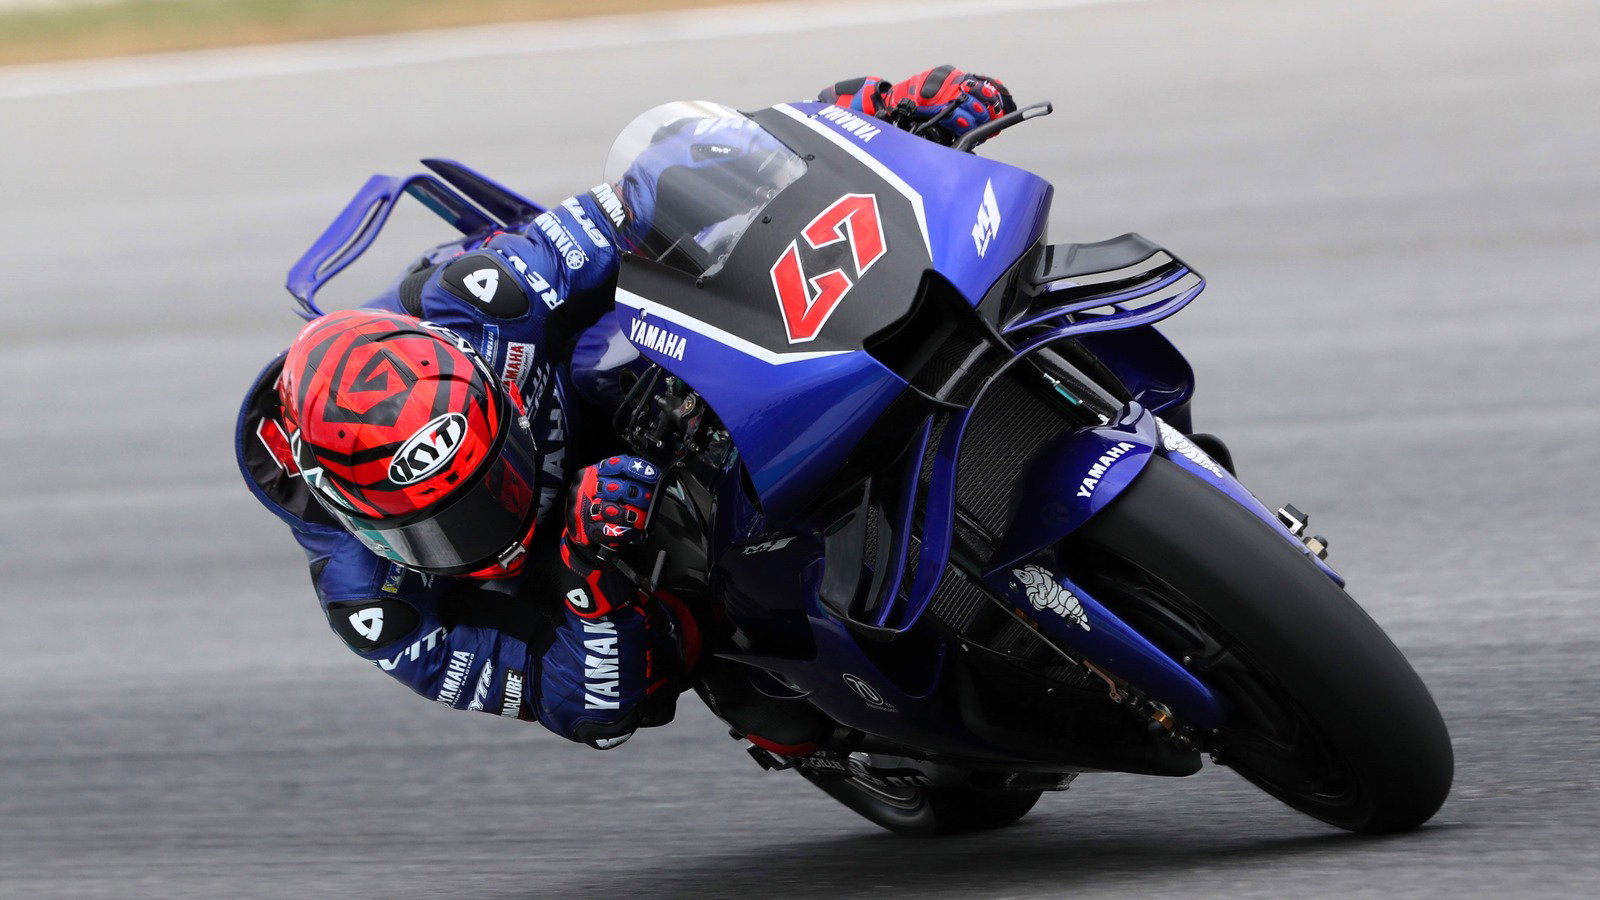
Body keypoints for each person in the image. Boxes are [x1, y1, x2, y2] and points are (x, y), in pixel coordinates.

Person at [235, 68, 1014, 752]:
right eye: (441, 522)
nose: (488, 520)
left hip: (611, 382)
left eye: (489, 480)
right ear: (352, 512)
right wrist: (589, 583)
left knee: (717, 256)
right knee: (763, 701)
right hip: (579, 564)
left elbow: (656, 187)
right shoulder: (374, 605)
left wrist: (878, 116)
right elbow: (578, 709)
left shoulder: (484, 300)